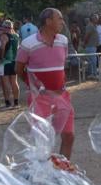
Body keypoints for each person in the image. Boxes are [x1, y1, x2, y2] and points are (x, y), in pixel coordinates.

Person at [16, 8, 75, 159]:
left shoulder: (63, 40)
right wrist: (33, 86)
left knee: (69, 136)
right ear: (48, 21)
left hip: (62, 96)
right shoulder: (28, 44)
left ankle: (63, 172)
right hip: (40, 99)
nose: (62, 22)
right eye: (59, 18)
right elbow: (19, 69)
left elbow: (61, 65)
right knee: (42, 141)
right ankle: (42, 174)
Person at [0, 20, 20, 109]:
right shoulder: (16, 36)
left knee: (6, 82)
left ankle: (8, 103)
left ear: (5, 27)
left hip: (6, 62)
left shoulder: (4, 36)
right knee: (14, 82)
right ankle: (16, 103)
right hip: (14, 62)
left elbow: (2, 47)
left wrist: (1, 56)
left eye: (3, 27)